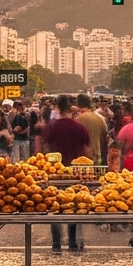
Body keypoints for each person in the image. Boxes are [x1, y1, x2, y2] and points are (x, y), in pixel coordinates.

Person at [42, 95, 90, 252]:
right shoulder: (80, 127)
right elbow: (87, 151)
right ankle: (73, 242)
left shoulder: (51, 126)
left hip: (55, 172)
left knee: (56, 207)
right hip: (76, 172)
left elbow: (45, 147)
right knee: (74, 206)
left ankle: (56, 244)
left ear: (58, 108)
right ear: (71, 109)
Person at [76, 93, 109, 165]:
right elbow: (107, 140)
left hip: (81, 160)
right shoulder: (100, 119)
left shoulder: (77, 120)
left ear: (77, 104)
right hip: (97, 158)